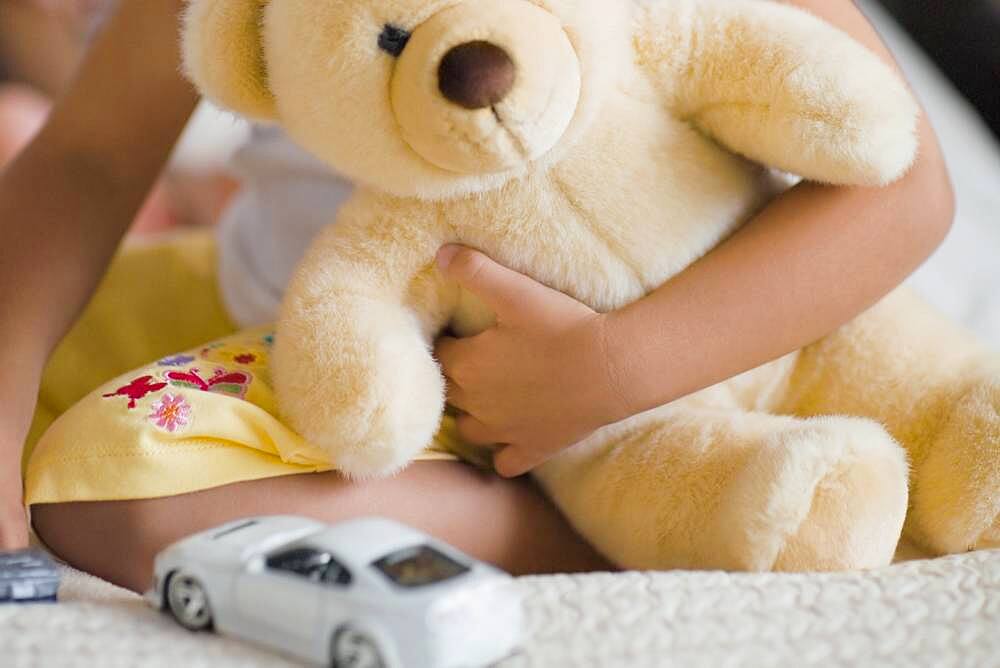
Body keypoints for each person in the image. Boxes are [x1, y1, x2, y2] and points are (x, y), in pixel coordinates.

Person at [0, 0, 954, 592]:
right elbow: (87, 158)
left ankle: (607, 526)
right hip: (350, 359)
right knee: (77, 482)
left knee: (133, 516)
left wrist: (611, 369)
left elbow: (905, 186)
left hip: (670, 364)